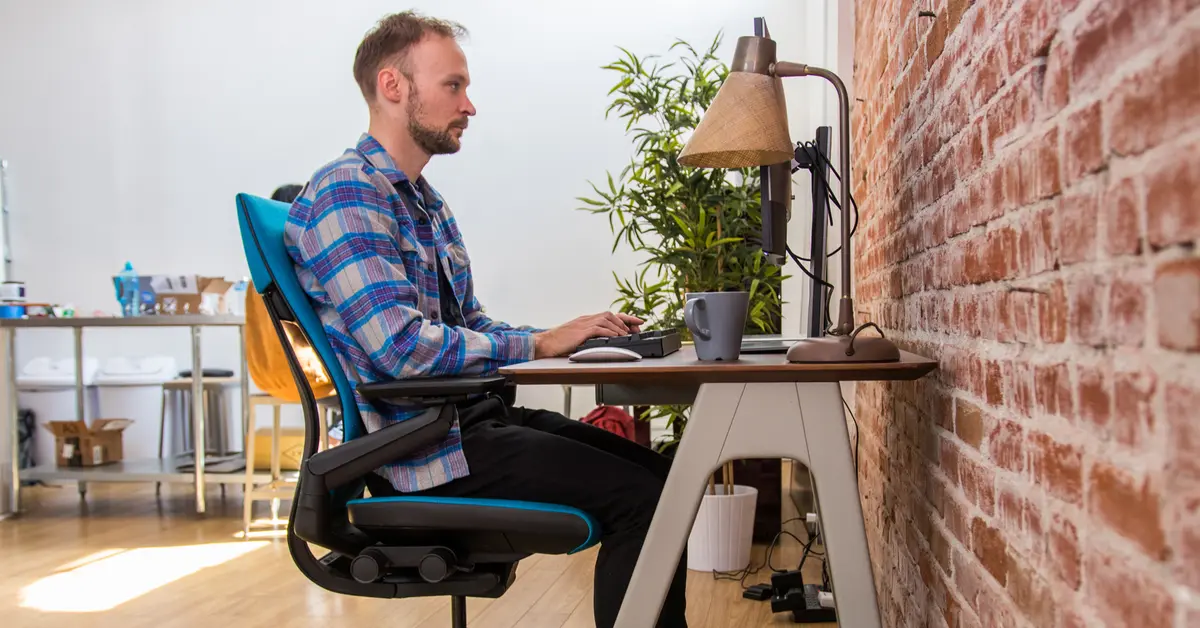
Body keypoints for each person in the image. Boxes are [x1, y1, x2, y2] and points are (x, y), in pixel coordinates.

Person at [284, 11, 687, 628]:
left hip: (466, 426)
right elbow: (401, 350)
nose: (469, 105)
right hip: (424, 454)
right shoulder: (348, 192)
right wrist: (539, 343)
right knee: (646, 501)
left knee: (665, 478)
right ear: (393, 85)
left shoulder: (425, 203)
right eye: (453, 85)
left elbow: (469, 321)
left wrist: (559, 338)